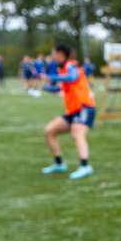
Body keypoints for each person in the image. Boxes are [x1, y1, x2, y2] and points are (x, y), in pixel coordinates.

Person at [42, 44, 95, 180]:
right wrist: (46, 87)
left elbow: (72, 78)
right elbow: (61, 88)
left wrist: (52, 77)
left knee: (77, 132)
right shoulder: (63, 70)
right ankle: (59, 164)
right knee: (49, 131)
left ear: (61, 54)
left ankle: (85, 166)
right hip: (73, 111)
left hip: (85, 107)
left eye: (54, 54)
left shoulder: (71, 66)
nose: (53, 57)